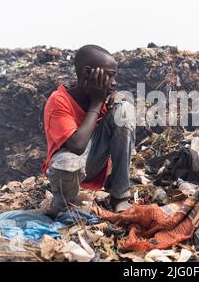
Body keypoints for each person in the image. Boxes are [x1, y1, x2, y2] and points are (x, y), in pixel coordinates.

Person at [41, 45, 134, 215]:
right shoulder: (58, 101)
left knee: (124, 110)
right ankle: (63, 205)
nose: (114, 82)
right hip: (68, 168)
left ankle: (119, 197)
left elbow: (126, 100)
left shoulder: (106, 95)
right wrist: (97, 103)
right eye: (109, 75)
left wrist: (119, 97)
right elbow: (77, 146)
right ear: (88, 73)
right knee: (68, 162)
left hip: (93, 163)